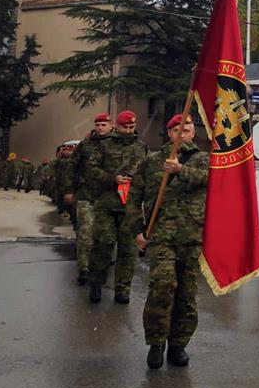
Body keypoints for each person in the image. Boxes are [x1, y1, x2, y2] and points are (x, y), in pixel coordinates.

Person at [130, 114, 208, 369]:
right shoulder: (151, 162)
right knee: (162, 287)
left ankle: (178, 344)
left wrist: (180, 170)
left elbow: (211, 181)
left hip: (191, 236)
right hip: (161, 236)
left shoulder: (203, 160)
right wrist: (137, 230)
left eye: (188, 129)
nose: (183, 133)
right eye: (178, 129)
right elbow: (133, 198)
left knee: (186, 294)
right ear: (170, 132)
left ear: (193, 133)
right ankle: (156, 343)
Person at [87, 110, 147, 305]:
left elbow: (147, 174)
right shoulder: (104, 146)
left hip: (130, 207)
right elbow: (91, 169)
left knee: (128, 251)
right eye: (125, 127)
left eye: (132, 127)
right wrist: (113, 179)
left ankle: (122, 289)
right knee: (103, 245)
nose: (129, 131)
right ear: (117, 126)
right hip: (107, 204)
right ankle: (96, 284)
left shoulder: (141, 148)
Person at [64, 113, 114, 285]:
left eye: (104, 125)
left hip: (109, 196)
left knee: (106, 235)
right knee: (85, 232)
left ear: (111, 125)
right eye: (98, 124)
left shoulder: (116, 144)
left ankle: (102, 267)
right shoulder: (86, 145)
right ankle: (84, 268)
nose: (100, 128)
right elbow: (72, 167)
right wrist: (69, 190)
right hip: (87, 194)